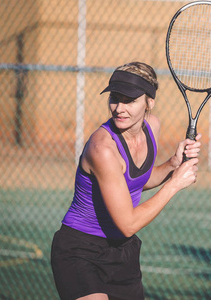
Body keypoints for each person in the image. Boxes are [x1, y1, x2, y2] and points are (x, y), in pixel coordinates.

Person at [51, 62, 201, 300]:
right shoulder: (103, 149)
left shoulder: (152, 126)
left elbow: (138, 180)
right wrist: (174, 185)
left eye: (129, 100)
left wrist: (173, 164)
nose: (119, 108)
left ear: (149, 102)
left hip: (123, 252)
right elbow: (128, 223)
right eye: (114, 98)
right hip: (80, 251)